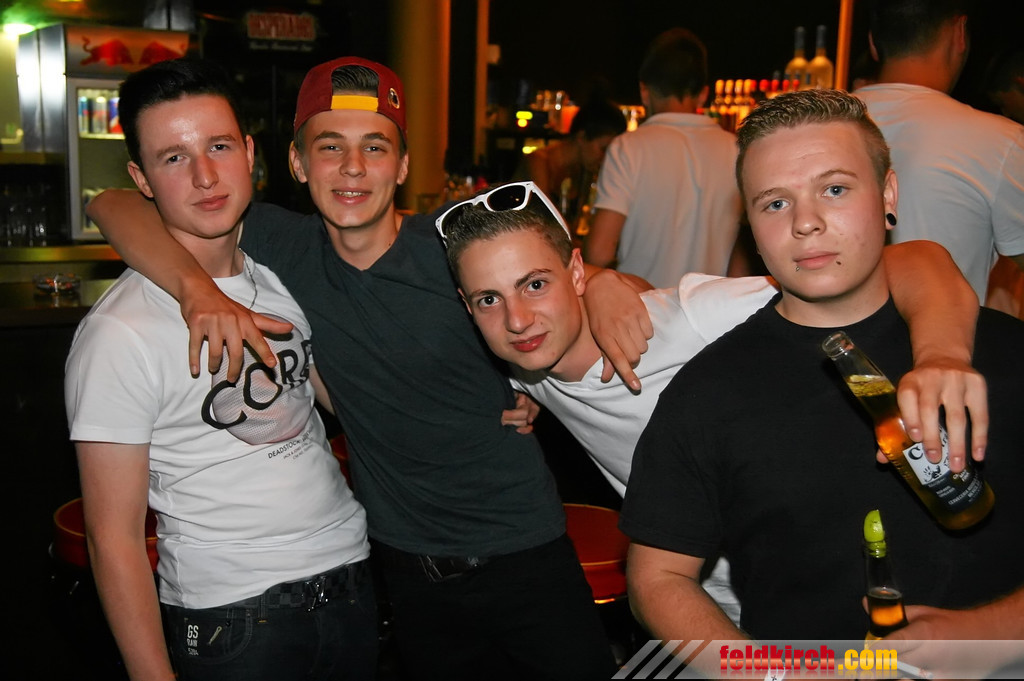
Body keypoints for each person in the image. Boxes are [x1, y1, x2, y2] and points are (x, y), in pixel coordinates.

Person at [84, 56, 650, 681]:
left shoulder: (452, 247)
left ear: (403, 166)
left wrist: (602, 287)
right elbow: (113, 203)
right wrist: (193, 287)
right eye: (330, 147)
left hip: (526, 554)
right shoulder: (278, 245)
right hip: (405, 573)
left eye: (375, 147)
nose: (352, 167)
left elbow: (555, 280)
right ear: (297, 163)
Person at [436, 180, 985, 628]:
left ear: (575, 272)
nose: (517, 319)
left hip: (833, 590)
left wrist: (943, 356)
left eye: (535, 285)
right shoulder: (522, 368)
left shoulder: (692, 317)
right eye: (490, 299)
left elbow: (913, 259)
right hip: (708, 604)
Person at [619, 88, 1024, 678]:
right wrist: (767, 673)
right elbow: (657, 578)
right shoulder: (708, 393)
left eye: (834, 189)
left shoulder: (1000, 354)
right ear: (749, 222)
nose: (806, 222)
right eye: (775, 202)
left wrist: (988, 637)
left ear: (888, 195)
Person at [64, 59, 375, 681]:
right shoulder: (118, 332)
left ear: (250, 153)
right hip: (233, 618)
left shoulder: (280, 279)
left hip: (351, 582)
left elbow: (348, 402)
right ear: (142, 178)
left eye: (219, 146)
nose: (205, 176)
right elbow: (113, 538)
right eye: (174, 157)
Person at [854, 0, 1024, 303]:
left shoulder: (815, 126)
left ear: (873, 44)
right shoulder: (999, 141)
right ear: (959, 33)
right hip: (946, 332)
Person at [584, 27, 745, 287]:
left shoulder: (628, 148)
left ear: (644, 91)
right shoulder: (736, 149)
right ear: (704, 93)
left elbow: (598, 253)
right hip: (713, 307)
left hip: (645, 306)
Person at [513, 96, 626, 230]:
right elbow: (547, 217)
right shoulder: (539, 161)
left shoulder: (583, 171)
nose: (606, 158)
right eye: (603, 149)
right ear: (581, 137)